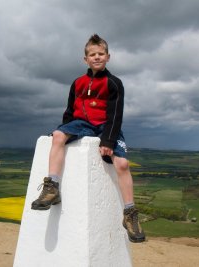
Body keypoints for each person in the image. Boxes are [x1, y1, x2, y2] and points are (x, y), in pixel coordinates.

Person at [31, 34, 145, 243]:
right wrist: (64, 128)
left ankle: (129, 214)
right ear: (86, 59)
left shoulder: (114, 83)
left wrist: (108, 141)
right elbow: (70, 109)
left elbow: (115, 115)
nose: (97, 57)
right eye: (92, 54)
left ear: (108, 57)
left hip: (106, 126)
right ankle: (52, 188)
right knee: (57, 136)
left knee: (122, 164)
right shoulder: (78, 83)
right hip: (81, 123)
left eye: (101, 54)